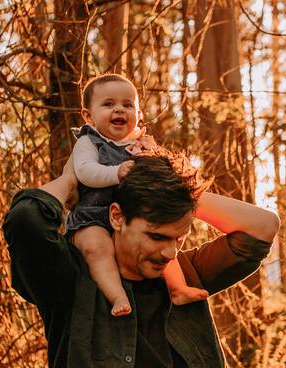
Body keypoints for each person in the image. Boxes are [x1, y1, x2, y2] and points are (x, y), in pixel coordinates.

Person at [3, 153, 279, 368]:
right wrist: (73, 178)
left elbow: (262, 227)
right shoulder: (70, 286)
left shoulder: (185, 275)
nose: (168, 251)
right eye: (156, 235)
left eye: (179, 237)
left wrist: (183, 192)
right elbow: (26, 219)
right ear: (117, 217)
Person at [67, 73, 208, 317]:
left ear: (139, 114)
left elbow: (163, 178)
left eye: (127, 104)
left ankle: (178, 288)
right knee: (96, 248)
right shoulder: (88, 143)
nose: (119, 110)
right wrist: (115, 173)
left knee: (166, 244)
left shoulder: (140, 145)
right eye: (108, 104)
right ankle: (117, 295)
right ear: (88, 116)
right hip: (91, 216)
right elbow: (84, 172)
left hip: (129, 217)